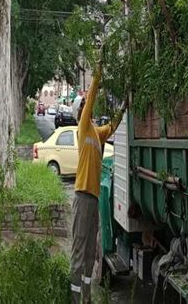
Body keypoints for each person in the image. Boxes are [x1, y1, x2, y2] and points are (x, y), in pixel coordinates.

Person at [69, 59, 127, 304]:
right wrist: (98, 71)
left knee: (92, 252)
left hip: (93, 198)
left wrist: (123, 107)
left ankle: (87, 298)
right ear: (80, 112)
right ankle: (74, 299)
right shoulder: (83, 128)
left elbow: (112, 127)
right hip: (83, 196)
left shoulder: (96, 132)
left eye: (85, 104)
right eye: (83, 105)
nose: (87, 106)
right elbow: (91, 96)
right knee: (79, 252)